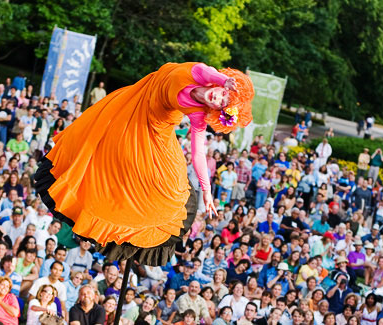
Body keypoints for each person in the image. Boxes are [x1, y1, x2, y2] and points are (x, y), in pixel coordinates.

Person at [34, 62, 253, 267]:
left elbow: (198, 154)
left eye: (222, 104)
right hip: (135, 105)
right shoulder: (202, 73)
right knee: (101, 146)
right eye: (223, 95)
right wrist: (225, 82)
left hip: (156, 128)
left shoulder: (198, 114)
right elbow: (207, 73)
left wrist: (207, 191)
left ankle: (132, 216)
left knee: (169, 186)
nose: (217, 99)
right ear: (221, 85)